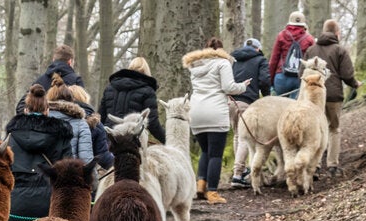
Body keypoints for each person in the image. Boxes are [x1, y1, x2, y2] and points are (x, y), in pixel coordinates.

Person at [182, 38, 250, 204]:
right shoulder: (223, 63)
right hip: (215, 112)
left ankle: (200, 186)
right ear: (220, 51)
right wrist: (243, 86)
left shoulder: (195, 66)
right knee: (215, 155)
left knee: (205, 151)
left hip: (196, 112)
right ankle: (212, 192)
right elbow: (228, 87)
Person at [6, 84, 73, 221]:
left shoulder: (11, 136)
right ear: (47, 111)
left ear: (25, 110)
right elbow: (69, 175)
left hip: (16, 208)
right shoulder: (62, 135)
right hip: (50, 207)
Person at [304, 19, 361, 176]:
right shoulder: (340, 50)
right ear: (337, 33)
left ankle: (314, 167)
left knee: (316, 129)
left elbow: (301, 73)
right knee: (334, 128)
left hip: (313, 96)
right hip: (333, 96)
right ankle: (332, 165)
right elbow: (347, 74)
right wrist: (355, 84)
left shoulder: (310, 50)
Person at [229, 38, 271, 189]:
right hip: (246, 102)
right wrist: (267, 97)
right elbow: (265, 81)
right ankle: (238, 174)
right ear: (258, 49)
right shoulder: (260, 60)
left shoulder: (234, 59)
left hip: (231, 101)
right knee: (244, 138)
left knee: (237, 135)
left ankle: (240, 170)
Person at [98, 56, 167, 144]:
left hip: (109, 140)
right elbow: (152, 123)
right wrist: (168, 141)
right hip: (132, 141)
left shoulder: (110, 88)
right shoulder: (148, 91)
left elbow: (101, 118)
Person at [15, 44, 85, 112]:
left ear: (53, 59)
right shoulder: (76, 80)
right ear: (70, 62)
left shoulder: (40, 80)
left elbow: (21, 107)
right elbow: (83, 109)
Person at [46, 74, 94, 162]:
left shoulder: (42, 121)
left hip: (45, 172)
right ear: (71, 99)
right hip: (71, 173)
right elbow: (86, 158)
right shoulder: (81, 123)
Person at [268, 10, 316, 99]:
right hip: (299, 78)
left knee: (280, 107)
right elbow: (313, 61)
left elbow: (274, 59)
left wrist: (270, 81)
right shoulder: (309, 39)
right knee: (293, 108)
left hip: (281, 76)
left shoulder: (281, 36)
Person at [68, 84, 114, 169]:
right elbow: (103, 156)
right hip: (83, 173)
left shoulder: (54, 120)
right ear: (85, 99)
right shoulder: (95, 124)